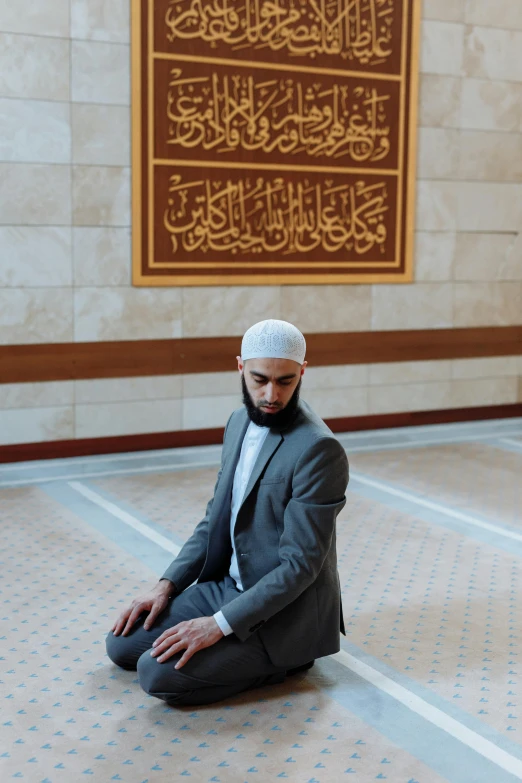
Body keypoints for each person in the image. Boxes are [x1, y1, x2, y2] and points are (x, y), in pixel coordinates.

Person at [106, 319, 349, 706]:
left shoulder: (319, 449)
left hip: (282, 614)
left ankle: (286, 662)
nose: (271, 394)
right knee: (122, 645)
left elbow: (301, 566)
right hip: (229, 587)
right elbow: (214, 520)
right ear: (240, 368)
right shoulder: (238, 422)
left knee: (158, 676)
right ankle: (228, 641)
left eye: (285, 381)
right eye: (259, 379)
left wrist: (217, 626)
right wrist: (165, 586)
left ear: (302, 372)